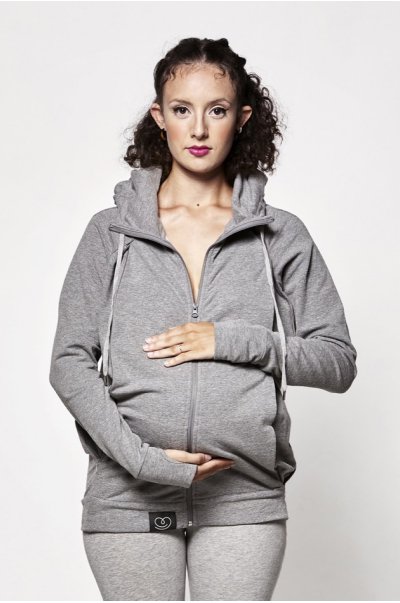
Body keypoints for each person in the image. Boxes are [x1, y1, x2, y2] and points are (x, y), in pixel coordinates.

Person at [49, 37, 358, 601]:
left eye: (216, 110)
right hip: (129, 497)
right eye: (181, 109)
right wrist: (142, 460)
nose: (197, 129)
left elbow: (338, 362)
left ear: (242, 118)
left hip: (242, 496)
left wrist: (233, 341)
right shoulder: (111, 232)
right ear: (158, 117)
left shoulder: (278, 234)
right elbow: (69, 362)